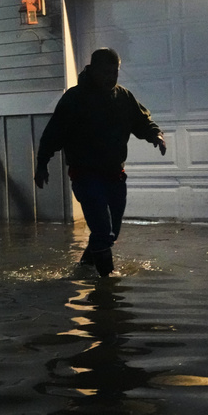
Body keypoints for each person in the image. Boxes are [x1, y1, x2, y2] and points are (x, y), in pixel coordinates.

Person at [35, 47, 166, 277]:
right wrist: (42, 164)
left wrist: (155, 134)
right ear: (93, 70)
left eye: (114, 72)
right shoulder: (75, 99)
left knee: (110, 232)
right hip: (85, 174)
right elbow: (53, 133)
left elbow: (142, 121)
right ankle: (108, 282)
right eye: (105, 72)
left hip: (115, 175)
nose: (111, 77)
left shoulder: (123, 97)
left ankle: (84, 268)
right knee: (102, 228)